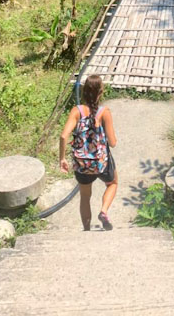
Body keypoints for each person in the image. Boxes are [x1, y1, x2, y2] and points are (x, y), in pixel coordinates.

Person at [59, 74, 118, 231]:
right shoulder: (104, 112)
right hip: (101, 162)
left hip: (82, 163)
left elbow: (63, 136)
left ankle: (86, 230)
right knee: (112, 183)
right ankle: (104, 211)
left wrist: (62, 159)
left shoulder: (76, 111)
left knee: (85, 196)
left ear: (84, 91)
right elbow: (112, 143)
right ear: (101, 93)